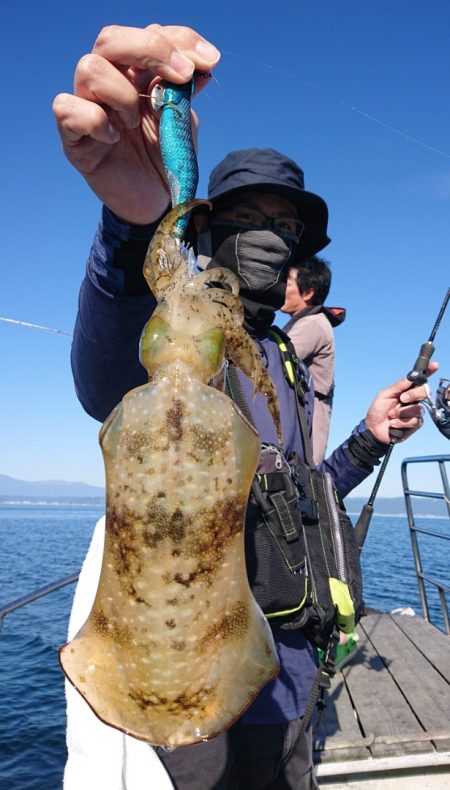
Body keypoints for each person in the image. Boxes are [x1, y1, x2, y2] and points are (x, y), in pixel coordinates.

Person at [53, 23, 435, 790]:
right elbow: (109, 380)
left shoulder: (285, 355)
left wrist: (368, 437)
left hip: (293, 666)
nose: (271, 237)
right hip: (200, 681)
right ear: (209, 226)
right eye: (250, 219)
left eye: (286, 227)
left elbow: (300, 487)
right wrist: (135, 227)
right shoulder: (198, 337)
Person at [281, 256, 345, 464]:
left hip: (303, 449)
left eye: (287, 281)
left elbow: (271, 357)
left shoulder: (313, 324)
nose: (280, 286)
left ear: (308, 292)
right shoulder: (310, 322)